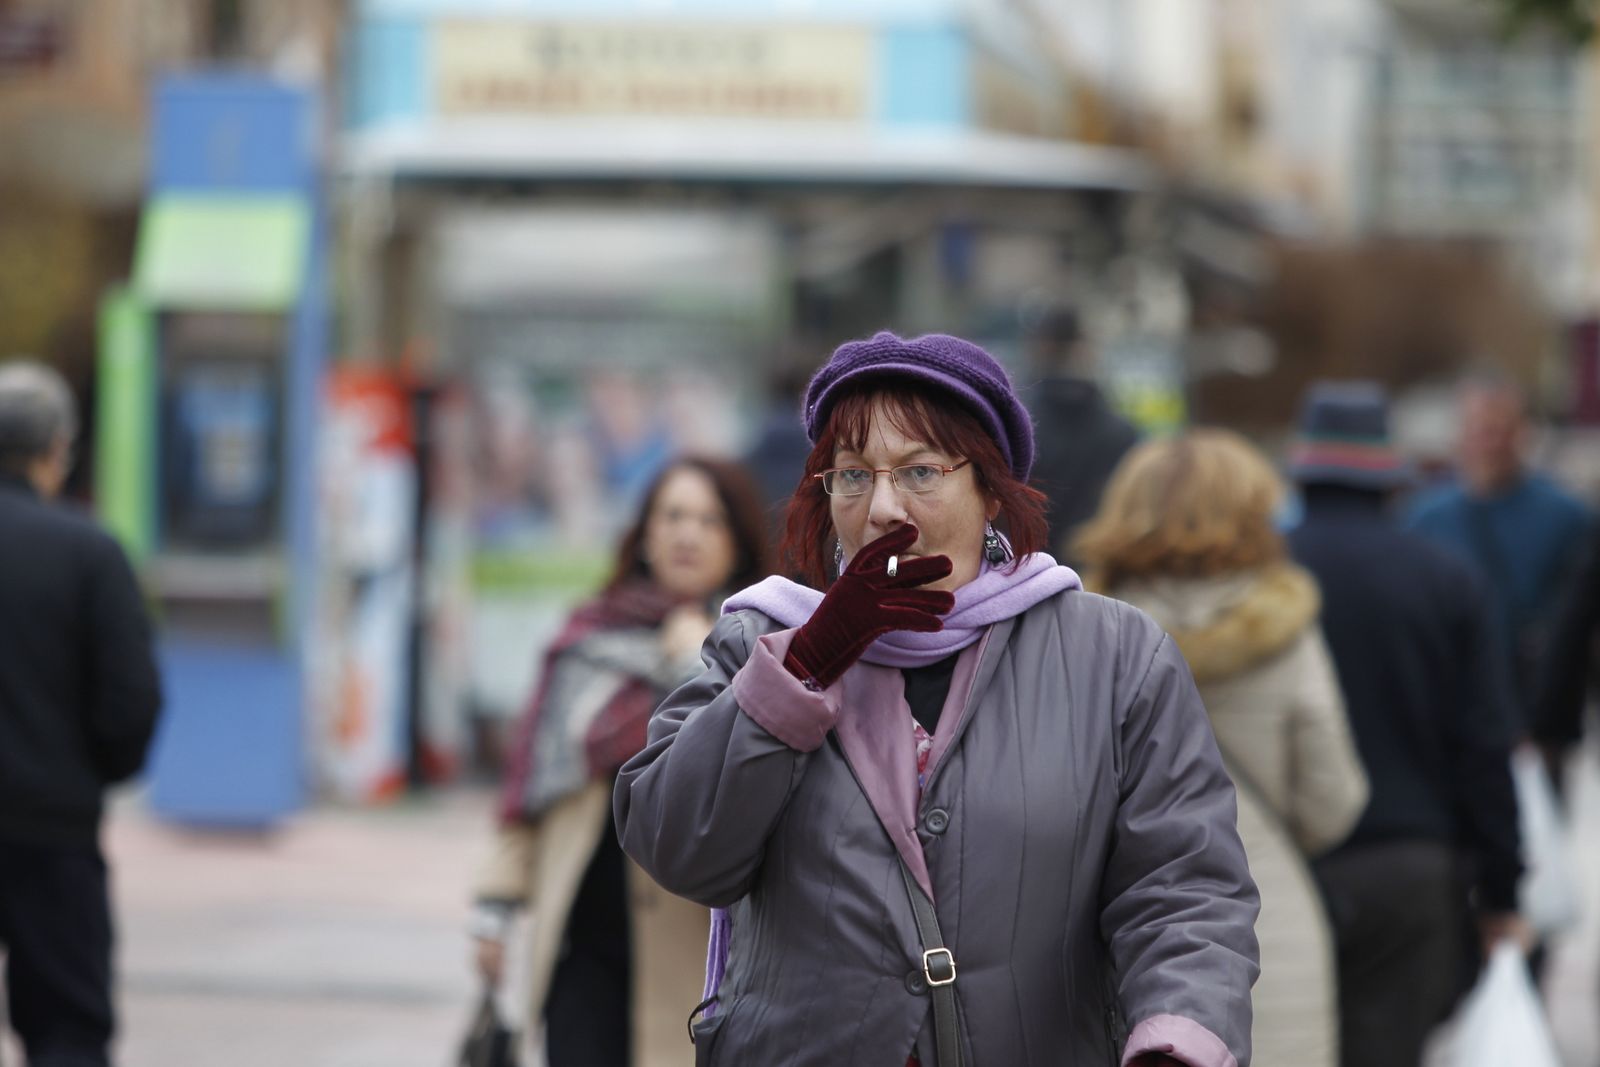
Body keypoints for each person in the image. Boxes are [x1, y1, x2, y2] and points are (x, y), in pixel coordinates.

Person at [615, 331, 1259, 1067]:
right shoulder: (758, 641)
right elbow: (678, 846)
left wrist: (1173, 1041)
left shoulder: (1114, 656)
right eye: (851, 476)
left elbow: (1185, 889)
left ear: (990, 488)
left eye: (919, 471)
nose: (883, 507)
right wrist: (810, 660)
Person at [1076, 428, 1368, 1067]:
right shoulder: (1289, 631)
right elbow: (1333, 803)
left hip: (1124, 943)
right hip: (1273, 933)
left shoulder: (1082, 636)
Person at [471, 456, 771, 1067]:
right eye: (674, 516)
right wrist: (494, 910)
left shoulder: (765, 648)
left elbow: (755, 768)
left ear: (737, 542)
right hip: (581, 941)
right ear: (646, 533)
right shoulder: (587, 641)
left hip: (699, 949)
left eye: (710, 521)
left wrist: (697, 663)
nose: (688, 535)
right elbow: (532, 786)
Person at [1284, 382, 1522, 1067]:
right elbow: (1484, 745)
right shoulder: (1446, 578)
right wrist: (1501, 888)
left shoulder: (1265, 577)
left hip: (1283, 865)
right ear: (1389, 474)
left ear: (1304, 466)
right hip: (1412, 867)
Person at [0, 360, 163, 1067]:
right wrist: (88, 773)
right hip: (54, 830)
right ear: (57, 450)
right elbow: (132, 700)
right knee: (68, 1027)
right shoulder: (90, 553)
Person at [1407, 372, 1592, 724]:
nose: (1489, 441)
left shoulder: (1568, 518)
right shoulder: (1423, 518)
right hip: (1448, 709)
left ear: (1524, 433)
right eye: (1479, 428)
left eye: (1500, 428)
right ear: (1459, 434)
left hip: (1535, 711)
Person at [1019, 308, 1139, 563]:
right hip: (1099, 571)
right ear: (1084, 348)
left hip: (1030, 574)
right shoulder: (1120, 431)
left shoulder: (1018, 429)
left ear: (1042, 347)